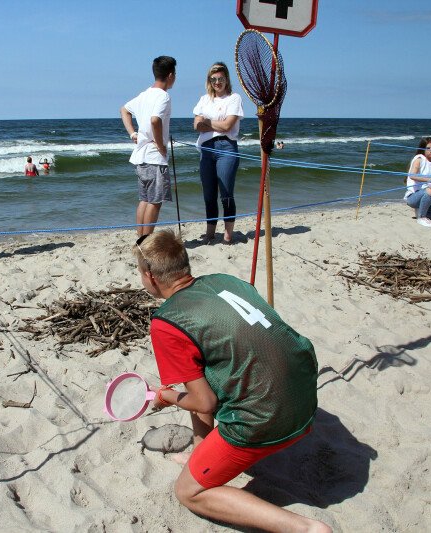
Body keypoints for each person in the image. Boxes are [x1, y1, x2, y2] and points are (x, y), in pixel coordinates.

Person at [134, 230, 329, 532]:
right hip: (305, 396)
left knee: (188, 492)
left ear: (150, 276)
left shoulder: (166, 322)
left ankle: (303, 528)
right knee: (201, 375)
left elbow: (204, 402)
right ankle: (201, 453)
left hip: (266, 419)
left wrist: (166, 397)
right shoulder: (225, 280)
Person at [121, 56, 176, 236]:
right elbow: (155, 120)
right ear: (170, 75)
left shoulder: (144, 95)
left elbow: (124, 110)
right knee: (155, 201)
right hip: (153, 157)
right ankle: (146, 240)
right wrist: (161, 145)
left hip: (141, 157)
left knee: (144, 199)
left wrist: (133, 134)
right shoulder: (163, 96)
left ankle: (141, 239)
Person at [193, 62, 244, 244]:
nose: (217, 82)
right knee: (208, 194)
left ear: (226, 79)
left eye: (220, 79)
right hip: (206, 149)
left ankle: (228, 233)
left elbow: (227, 126)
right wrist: (209, 123)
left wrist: (207, 120)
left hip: (226, 148)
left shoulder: (234, 98)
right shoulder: (204, 99)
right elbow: (196, 126)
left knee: (226, 193)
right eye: (213, 79)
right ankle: (210, 232)